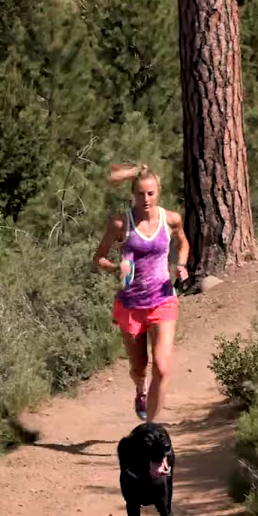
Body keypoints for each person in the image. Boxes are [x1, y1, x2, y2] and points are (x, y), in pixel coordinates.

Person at [92, 164, 189, 423]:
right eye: (140, 194)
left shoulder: (171, 219)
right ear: (132, 194)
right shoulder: (121, 224)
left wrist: (181, 265)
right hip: (131, 305)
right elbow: (98, 258)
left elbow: (183, 244)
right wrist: (116, 268)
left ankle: (150, 427)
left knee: (163, 367)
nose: (145, 199)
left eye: (150, 193)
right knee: (138, 367)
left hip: (162, 300)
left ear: (158, 192)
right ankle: (140, 388)